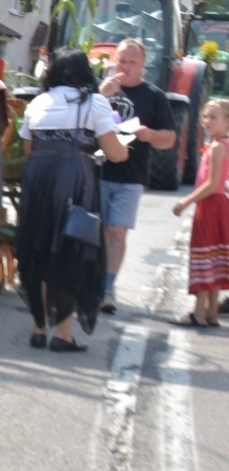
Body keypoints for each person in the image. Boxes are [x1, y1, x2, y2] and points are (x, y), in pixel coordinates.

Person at [18, 48, 128, 350]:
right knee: (71, 249)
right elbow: (114, 151)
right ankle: (63, 333)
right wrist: (123, 151)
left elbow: (28, 148)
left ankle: (38, 327)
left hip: (38, 178)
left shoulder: (38, 102)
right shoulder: (94, 102)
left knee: (38, 247)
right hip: (74, 178)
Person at [96, 38, 176, 312]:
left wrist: (149, 134)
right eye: (122, 61)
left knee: (117, 231)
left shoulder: (154, 96)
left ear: (143, 64)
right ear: (114, 61)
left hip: (131, 176)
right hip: (98, 170)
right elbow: (80, 119)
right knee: (98, 231)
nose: (126, 67)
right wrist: (101, 94)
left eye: (132, 62)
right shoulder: (102, 90)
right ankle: (94, 283)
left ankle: (108, 289)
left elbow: (170, 138)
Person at [171, 97, 229, 326]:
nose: (207, 121)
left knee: (204, 257)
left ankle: (198, 313)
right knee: (215, 258)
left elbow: (212, 184)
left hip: (210, 205)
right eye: (205, 116)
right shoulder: (224, 144)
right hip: (221, 205)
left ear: (227, 121)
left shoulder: (216, 147)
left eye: (213, 117)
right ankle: (211, 312)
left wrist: (185, 201)